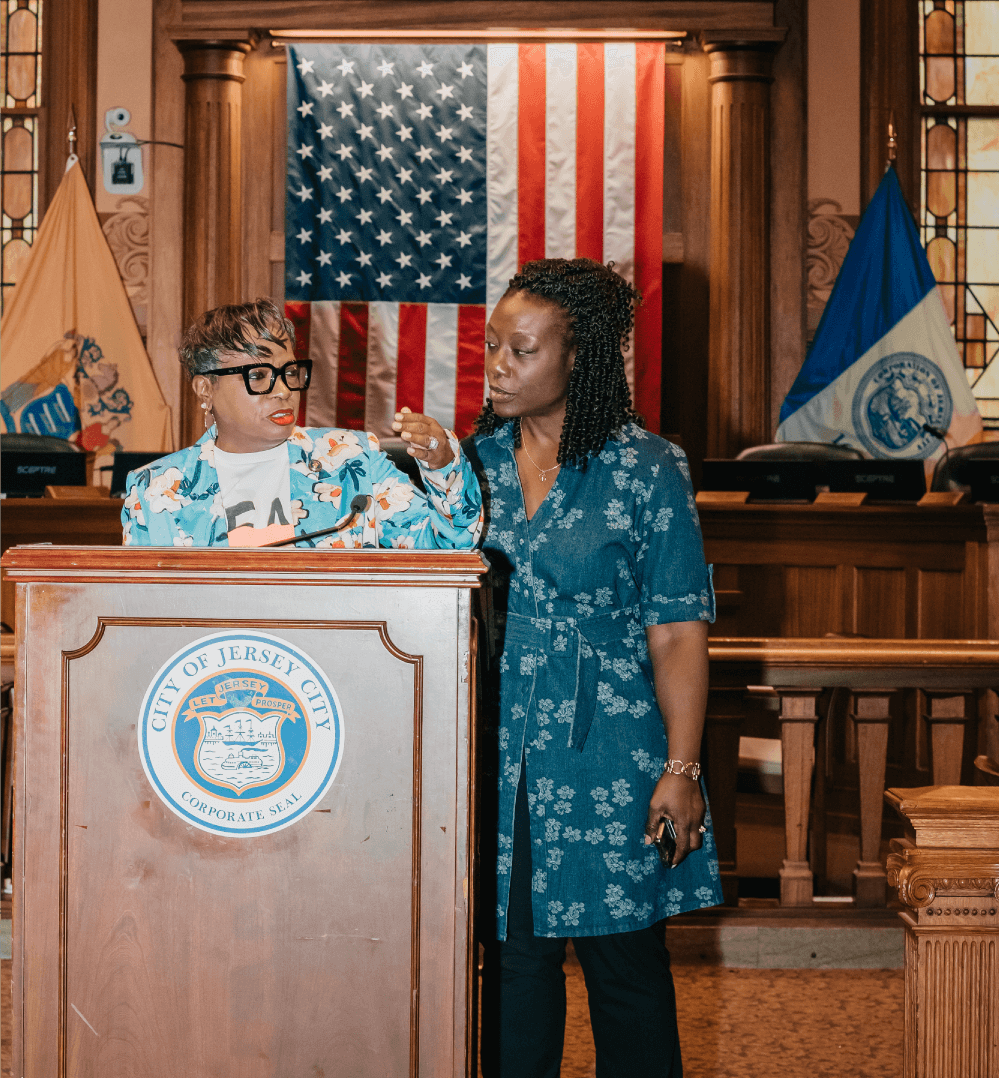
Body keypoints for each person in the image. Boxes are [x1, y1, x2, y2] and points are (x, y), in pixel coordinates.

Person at [472, 259, 721, 1078]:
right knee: (513, 964)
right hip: (497, 747)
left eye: (521, 349)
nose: (498, 365)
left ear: (577, 358)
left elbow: (676, 629)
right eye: (493, 345)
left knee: (624, 967)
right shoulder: (469, 465)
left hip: (611, 747)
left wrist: (680, 768)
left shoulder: (648, 466)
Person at [123, 298, 482, 550]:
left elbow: (449, 545)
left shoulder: (351, 460)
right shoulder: (156, 491)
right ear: (206, 388)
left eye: (289, 372)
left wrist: (443, 467)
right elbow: (140, 608)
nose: (283, 391)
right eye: (259, 375)